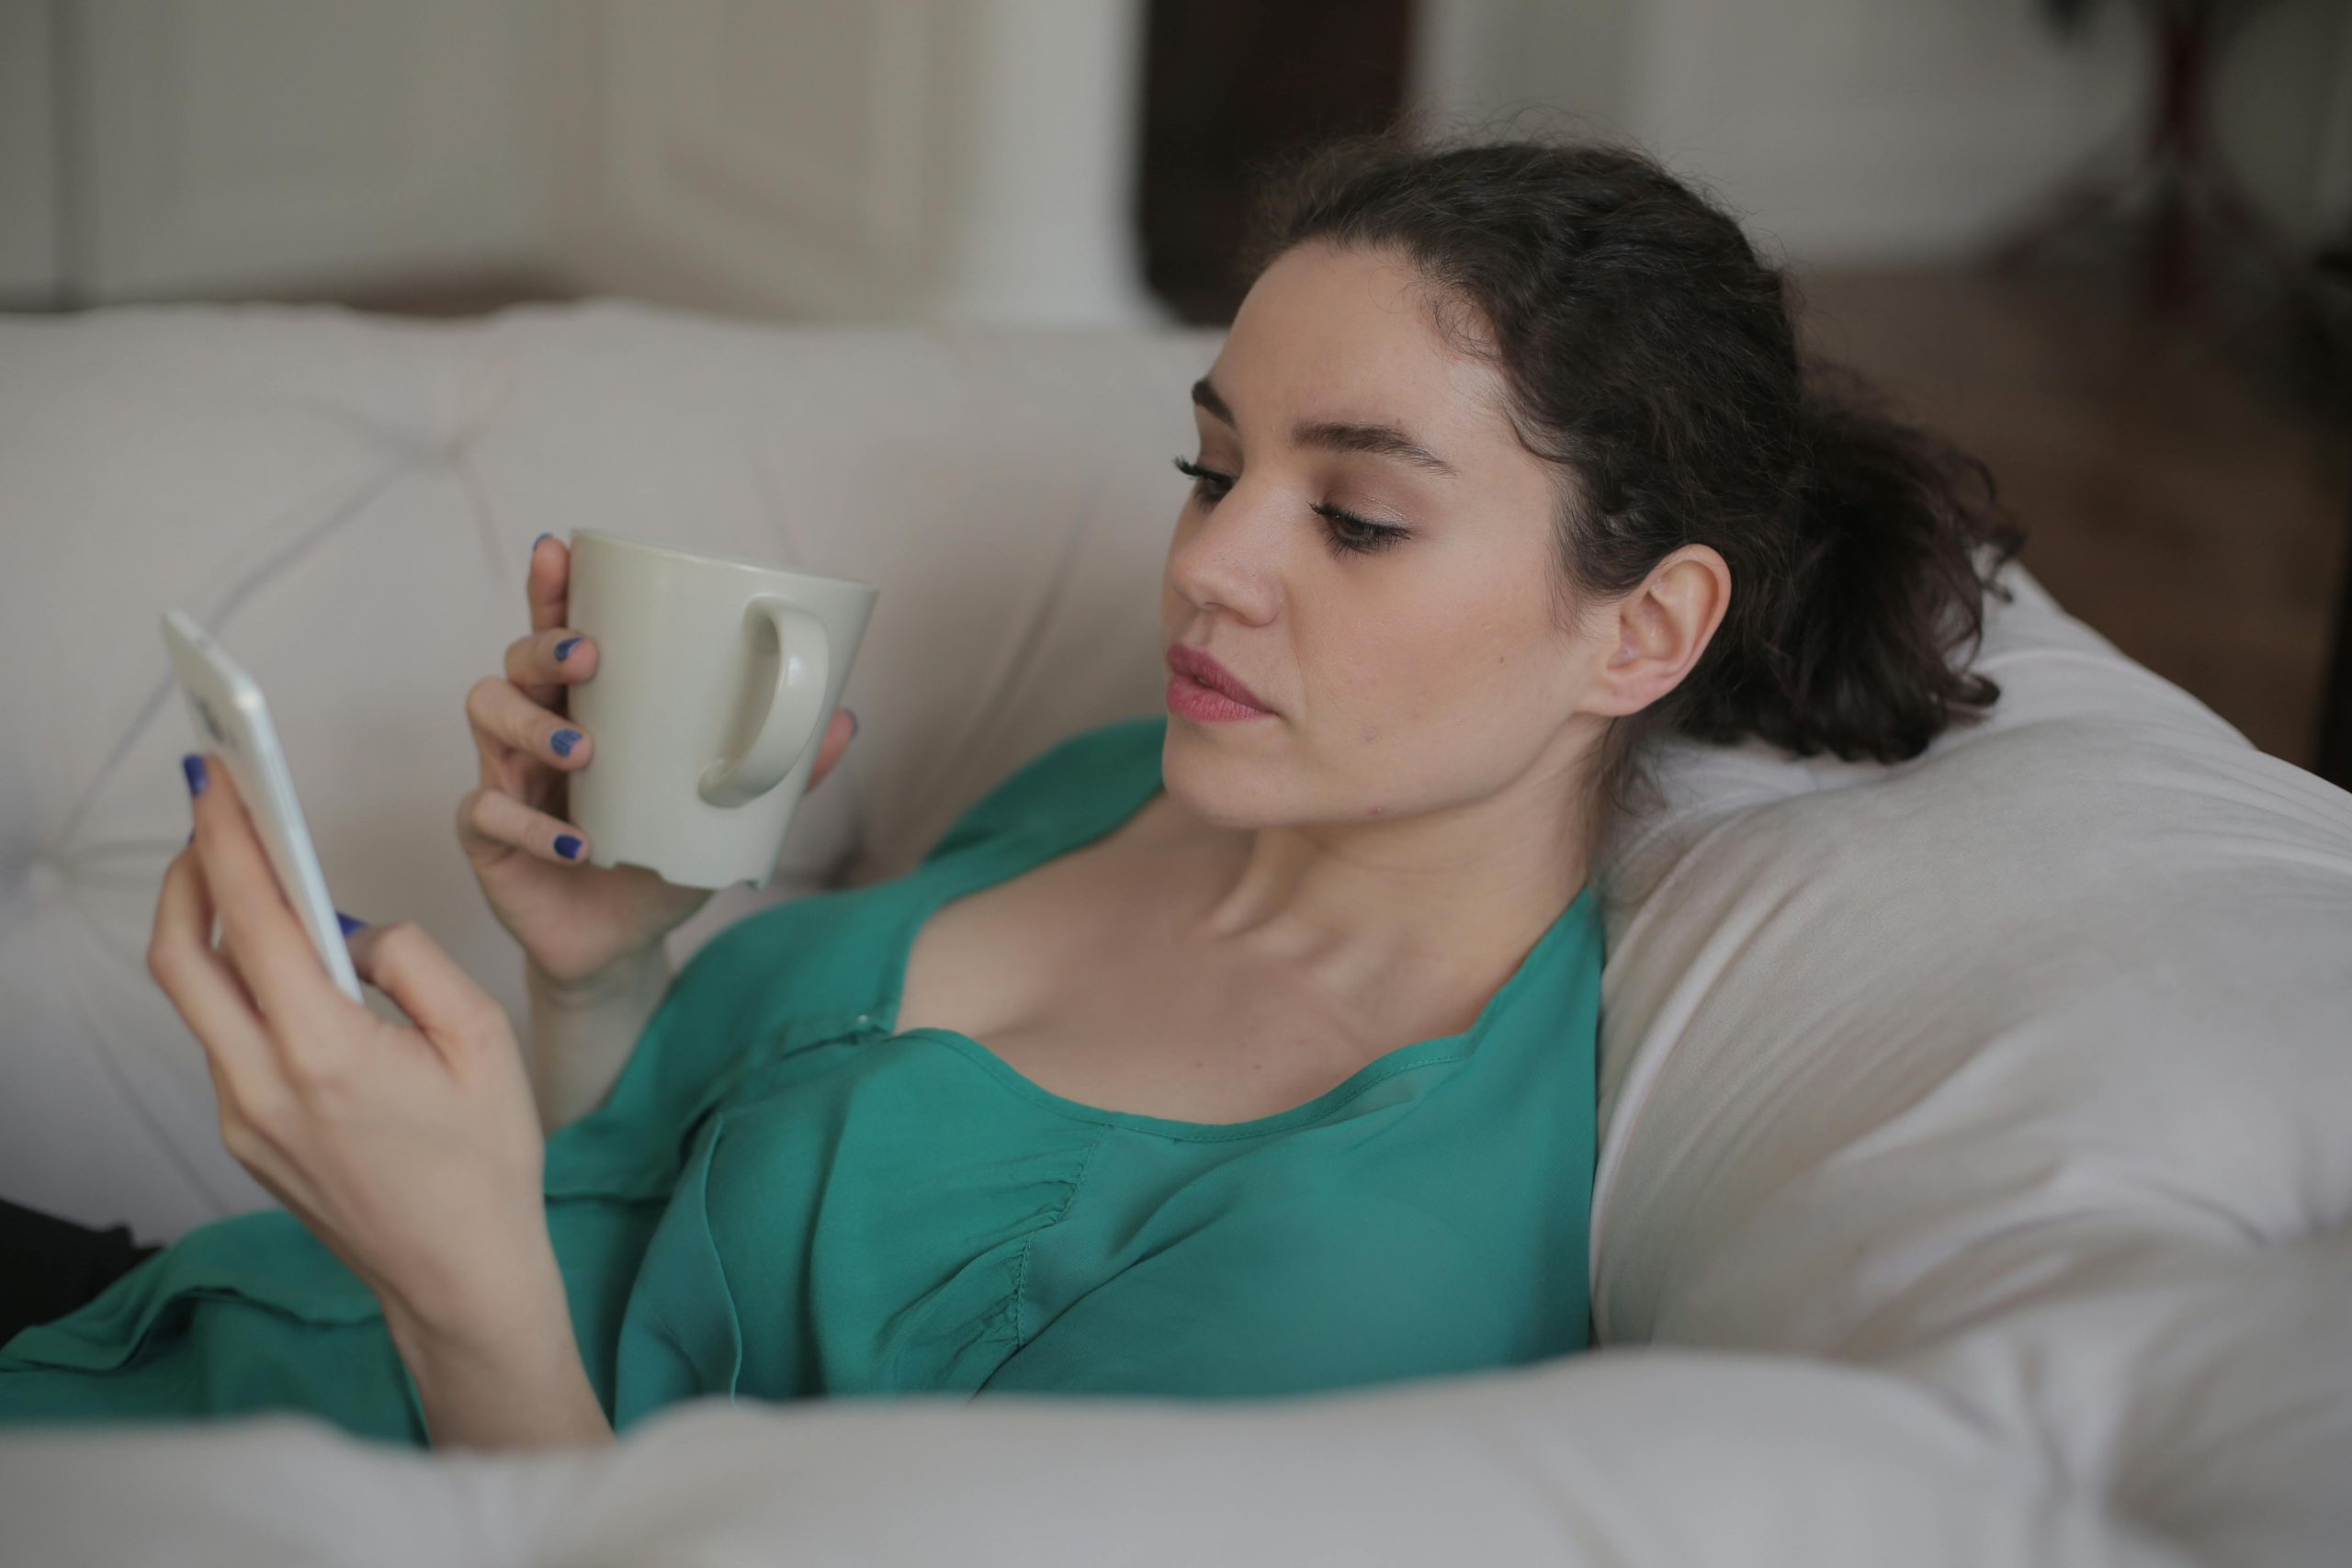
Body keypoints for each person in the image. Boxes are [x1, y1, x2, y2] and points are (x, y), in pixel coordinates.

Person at [0, 123, 2025, 1450]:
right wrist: (601, 974)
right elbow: (651, 1235)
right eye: (1211, 466)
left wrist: (456, 1280)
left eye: (1362, 517)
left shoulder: (1366, 1250)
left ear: (1641, 628)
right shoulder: (1141, 786)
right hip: (167, 1326)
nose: (1212, 564)